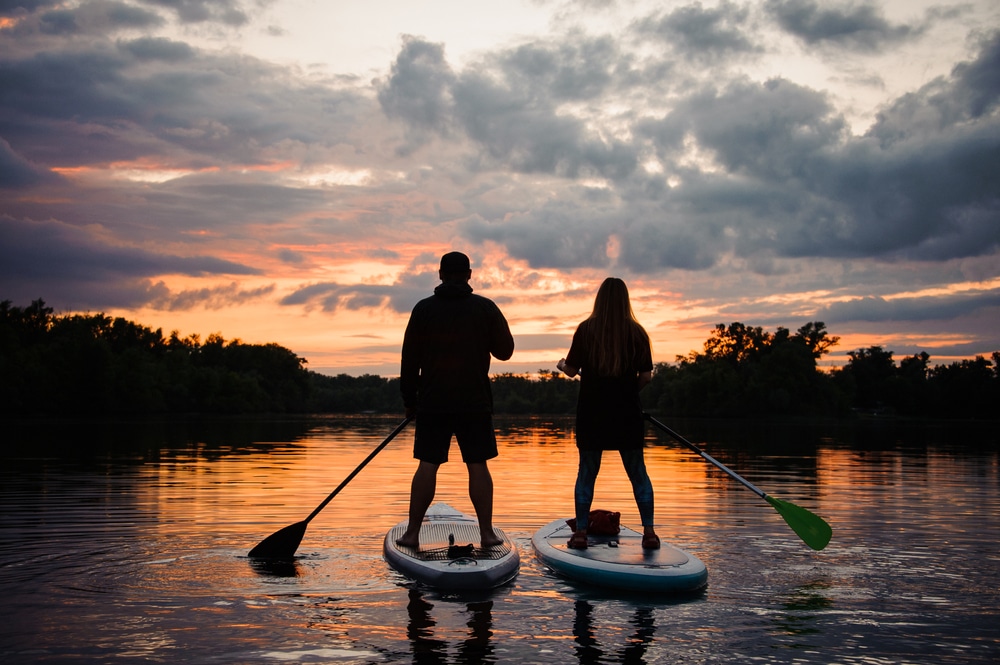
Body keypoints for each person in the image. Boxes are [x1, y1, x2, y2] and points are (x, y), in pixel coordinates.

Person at [395, 251, 515, 549]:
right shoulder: (485, 308)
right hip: (474, 402)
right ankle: (486, 534)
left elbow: (409, 362)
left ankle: (412, 534)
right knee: (478, 464)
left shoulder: (423, 310)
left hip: (433, 401)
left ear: (440, 274)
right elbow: (506, 351)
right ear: (470, 275)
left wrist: (410, 401)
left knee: (427, 463)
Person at [556, 277, 660, 550]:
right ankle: (649, 534)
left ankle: (580, 533)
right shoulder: (638, 333)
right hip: (627, 414)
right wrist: (629, 394)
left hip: (592, 413)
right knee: (638, 472)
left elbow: (570, 369)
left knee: (587, 472)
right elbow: (647, 377)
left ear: (599, 299)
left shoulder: (586, 330)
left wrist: (563, 366)